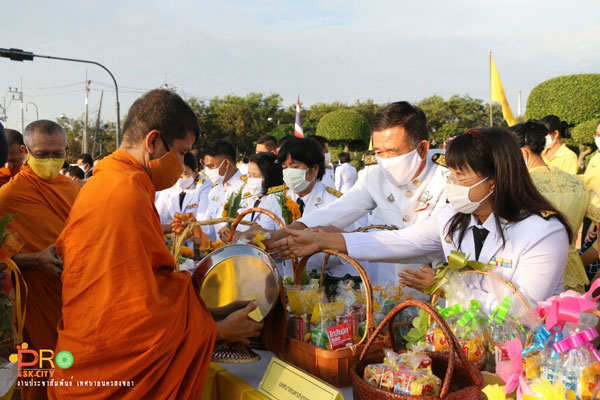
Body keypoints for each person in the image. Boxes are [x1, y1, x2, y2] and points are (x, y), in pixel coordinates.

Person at [50, 89, 262, 399]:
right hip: (111, 367)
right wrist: (217, 331)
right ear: (153, 142)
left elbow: (145, 283)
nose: (181, 164)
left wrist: (207, 309)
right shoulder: (125, 192)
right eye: (179, 152)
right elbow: (129, 314)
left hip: (86, 351)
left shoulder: (105, 181)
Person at [272, 128, 572, 311]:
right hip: (466, 341)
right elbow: (404, 240)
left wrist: (448, 288)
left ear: (493, 181)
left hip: (526, 359)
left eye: (460, 176)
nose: (451, 185)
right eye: (450, 175)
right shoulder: (456, 214)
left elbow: (524, 312)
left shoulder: (542, 232)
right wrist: (325, 239)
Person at [267, 102, 448, 290]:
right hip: (390, 288)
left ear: (422, 149)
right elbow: (341, 209)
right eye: (378, 152)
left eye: (393, 152)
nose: (385, 160)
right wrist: (284, 232)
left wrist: (331, 240)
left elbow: (419, 241)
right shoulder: (374, 174)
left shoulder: (448, 176)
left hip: (439, 290)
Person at [0, 120, 80, 399]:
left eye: (57, 154)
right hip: (35, 300)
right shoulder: (8, 197)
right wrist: (36, 259)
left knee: (75, 375)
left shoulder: (73, 190)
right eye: (42, 155)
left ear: (66, 150)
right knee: (39, 377)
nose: (51, 161)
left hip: (75, 298)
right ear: (26, 151)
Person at [513, 120, 591, 292]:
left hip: (532, 276)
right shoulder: (577, 183)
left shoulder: (519, 186)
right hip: (572, 275)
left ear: (524, 152)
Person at [155, 151, 213, 240]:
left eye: (184, 174)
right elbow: (158, 217)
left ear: (196, 172)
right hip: (174, 241)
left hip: (197, 242)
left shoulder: (204, 187)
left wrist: (175, 228)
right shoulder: (170, 186)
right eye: (177, 173)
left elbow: (202, 222)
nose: (180, 178)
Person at [204, 140, 248, 241]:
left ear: (226, 163)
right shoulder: (214, 190)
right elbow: (208, 226)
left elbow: (250, 224)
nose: (208, 171)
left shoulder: (247, 188)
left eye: (211, 166)